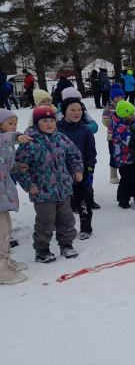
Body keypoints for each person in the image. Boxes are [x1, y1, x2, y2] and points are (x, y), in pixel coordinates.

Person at [14, 106, 84, 263]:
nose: (49, 124)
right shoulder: (29, 142)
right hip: (42, 191)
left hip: (63, 189)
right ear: (36, 123)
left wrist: (77, 170)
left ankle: (66, 244)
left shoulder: (61, 138)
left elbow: (74, 154)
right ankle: (42, 249)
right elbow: (19, 167)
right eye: (44, 121)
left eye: (52, 120)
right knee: (45, 221)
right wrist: (29, 185)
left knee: (66, 219)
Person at [57, 97, 97, 240]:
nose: (76, 113)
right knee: (64, 205)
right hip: (61, 174)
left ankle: (86, 228)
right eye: (72, 110)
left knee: (83, 202)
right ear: (64, 111)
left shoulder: (85, 130)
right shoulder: (56, 129)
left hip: (80, 173)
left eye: (79, 109)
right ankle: (64, 231)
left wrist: (89, 171)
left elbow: (91, 153)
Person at [0, 109, 32, 284]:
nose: (13, 127)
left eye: (15, 124)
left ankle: (5, 261)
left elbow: (7, 166)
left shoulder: (7, 145)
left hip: (3, 193)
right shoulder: (4, 139)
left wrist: (18, 167)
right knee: (1, 230)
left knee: (6, 228)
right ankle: (0, 269)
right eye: (9, 123)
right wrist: (18, 137)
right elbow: (5, 139)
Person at [110, 100, 135, 208]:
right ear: (124, 115)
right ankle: (123, 198)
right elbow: (130, 140)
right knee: (126, 178)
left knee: (134, 175)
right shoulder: (120, 127)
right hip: (123, 158)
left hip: (130, 157)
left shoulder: (128, 123)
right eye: (131, 114)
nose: (133, 115)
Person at [103, 84, 125, 184]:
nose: (120, 99)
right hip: (112, 137)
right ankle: (113, 175)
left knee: (125, 154)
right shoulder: (108, 108)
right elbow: (105, 121)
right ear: (112, 98)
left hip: (124, 136)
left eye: (121, 97)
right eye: (117, 97)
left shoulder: (126, 106)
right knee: (113, 155)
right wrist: (115, 120)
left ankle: (125, 173)